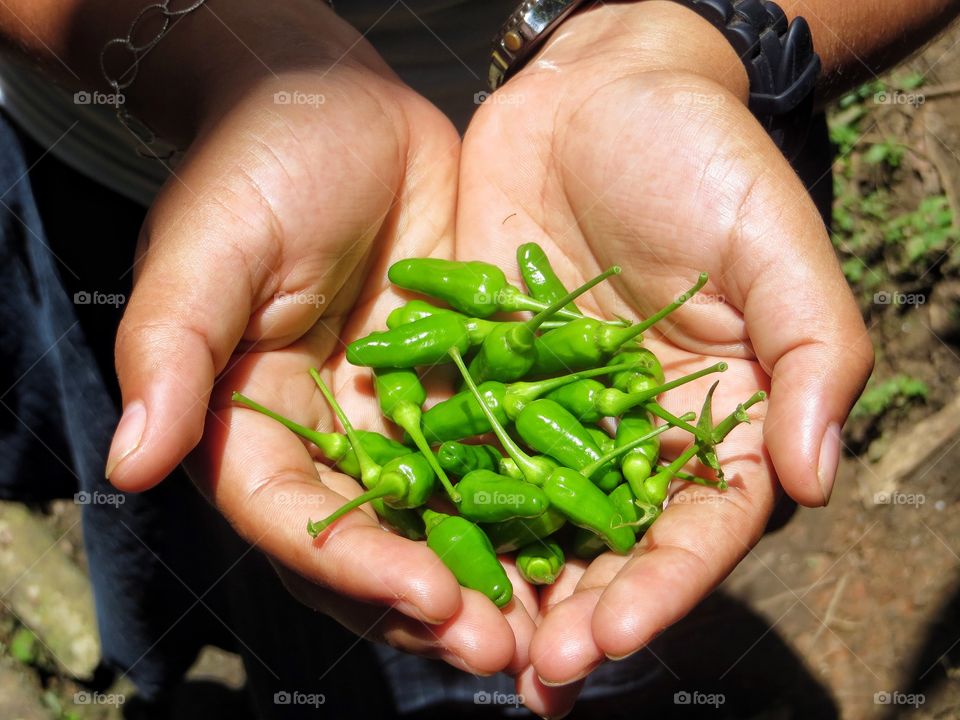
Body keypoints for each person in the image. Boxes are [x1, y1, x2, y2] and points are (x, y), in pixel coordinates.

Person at [0, 0, 953, 717]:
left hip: (634, 197)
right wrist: (222, 53)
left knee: (536, 635)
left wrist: (687, 39)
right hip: (171, 190)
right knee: (210, 554)